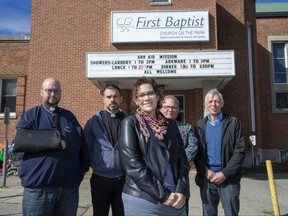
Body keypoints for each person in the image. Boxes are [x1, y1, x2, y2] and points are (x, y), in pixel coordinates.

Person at [16, 77, 89, 216]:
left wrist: (78, 175)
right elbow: (21, 142)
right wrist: (53, 142)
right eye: (49, 90)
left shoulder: (69, 118)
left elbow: (83, 148)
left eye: (56, 90)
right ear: (41, 92)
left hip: (68, 191)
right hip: (38, 191)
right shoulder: (31, 116)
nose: (53, 94)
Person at [118, 77, 189, 216]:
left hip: (175, 199)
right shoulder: (130, 124)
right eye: (141, 95)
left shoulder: (171, 125)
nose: (146, 98)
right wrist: (163, 195)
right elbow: (133, 165)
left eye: (150, 93)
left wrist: (182, 190)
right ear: (136, 100)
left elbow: (182, 160)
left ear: (157, 96)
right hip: (143, 200)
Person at [194, 88, 246, 216]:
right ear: (206, 104)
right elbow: (197, 153)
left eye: (217, 101)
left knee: (231, 213)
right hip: (207, 178)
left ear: (222, 104)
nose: (213, 104)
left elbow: (240, 150)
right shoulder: (200, 125)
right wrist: (205, 171)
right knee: (208, 213)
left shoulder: (233, 123)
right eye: (210, 101)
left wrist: (225, 173)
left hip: (228, 179)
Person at [84, 83, 126, 216]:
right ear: (103, 98)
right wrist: (96, 164)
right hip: (100, 179)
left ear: (121, 98)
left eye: (115, 96)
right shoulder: (93, 122)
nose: (112, 100)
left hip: (123, 180)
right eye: (108, 97)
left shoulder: (129, 121)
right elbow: (87, 147)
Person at [160, 95, 198, 163]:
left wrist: (180, 161)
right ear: (160, 109)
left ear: (178, 110)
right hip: (159, 167)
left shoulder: (187, 128)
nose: (170, 110)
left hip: (181, 168)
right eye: (167, 107)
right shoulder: (153, 127)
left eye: (174, 107)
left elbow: (193, 147)